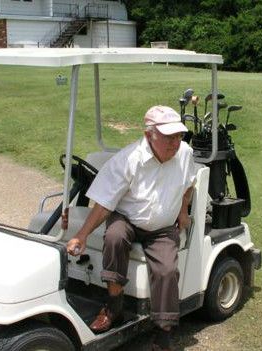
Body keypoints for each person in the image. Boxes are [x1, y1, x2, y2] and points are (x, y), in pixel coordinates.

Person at [66, 105, 196, 351]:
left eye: (178, 136)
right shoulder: (128, 159)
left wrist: (182, 211)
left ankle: (163, 337)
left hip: (163, 227)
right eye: (168, 137)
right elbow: (103, 203)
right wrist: (81, 236)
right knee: (114, 237)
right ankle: (114, 308)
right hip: (126, 218)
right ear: (148, 135)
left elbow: (188, 184)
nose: (175, 143)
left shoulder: (185, 153)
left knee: (167, 270)